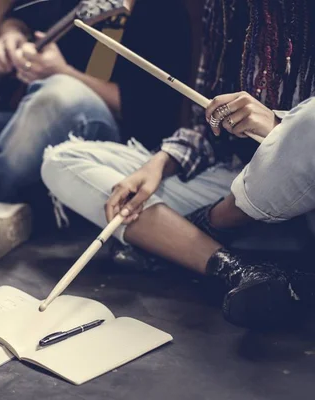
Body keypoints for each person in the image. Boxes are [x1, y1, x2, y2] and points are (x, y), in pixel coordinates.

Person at [42, 0, 315, 329]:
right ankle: (241, 269)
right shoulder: (227, 9)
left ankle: (200, 229)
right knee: (62, 161)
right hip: (234, 178)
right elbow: (209, 125)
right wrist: (159, 163)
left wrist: (277, 126)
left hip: (295, 203)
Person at [0, 0, 191, 264]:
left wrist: (63, 73)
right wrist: (10, 38)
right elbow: (19, 14)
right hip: (24, 122)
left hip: (101, 142)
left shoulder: (163, 10)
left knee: (60, 93)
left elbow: (155, 114)